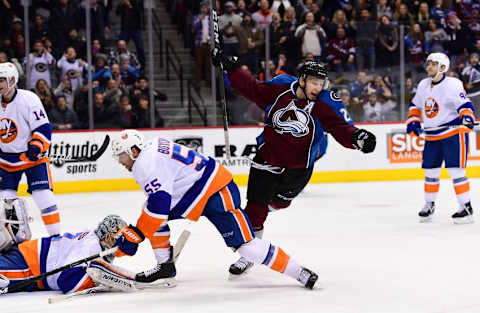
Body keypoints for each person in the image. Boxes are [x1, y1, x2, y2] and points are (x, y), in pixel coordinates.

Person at [210, 52, 376, 275]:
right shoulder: (280, 88)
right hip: (267, 158)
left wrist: (357, 138)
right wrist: (232, 68)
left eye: (321, 83)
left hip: (298, 168)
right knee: (255, 210)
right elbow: (253, 89)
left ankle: (259, 221)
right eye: (314, 82)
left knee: (278, 204)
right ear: (302, 80)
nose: (318, 87)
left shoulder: (326, 101)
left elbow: (340, 127)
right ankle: (249, 254)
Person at [111, 129, 319, 289]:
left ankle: (298, 271)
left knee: (246, 246)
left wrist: (135, 236)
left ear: (134, 151)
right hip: (195, 191)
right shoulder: (152, 146)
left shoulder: (143, 165)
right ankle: (165, 266)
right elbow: (158, 205)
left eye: (121, 156)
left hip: (217, 191)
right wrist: (137, 232)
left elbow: (159, 206)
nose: (120, 162)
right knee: (150, 212)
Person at [406, 52, 476, 224]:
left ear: (442, 67)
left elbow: (465, 105)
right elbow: (415, 105)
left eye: (433, 64)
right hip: (431, 135)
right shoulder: (423, 84)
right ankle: (429, 204)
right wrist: (413, 121)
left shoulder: (453, 84)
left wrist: (467, 118)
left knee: (455, 171)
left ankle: (466, 207)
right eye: (428, 63)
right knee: (430, 172)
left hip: (452, 134)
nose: (428, 66)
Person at [0, 208, 128, 294]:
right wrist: (96, 281)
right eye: (114, 240)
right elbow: (67, 282)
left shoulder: (92, 235)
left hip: (28, 253)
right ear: (107, 237)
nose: (116, 245)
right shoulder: (90, 248)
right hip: (29, 266)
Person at [0, 62, 61, 235]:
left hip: (31, 158)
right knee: (6, 203)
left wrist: (36, 147)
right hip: (5, 161)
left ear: (12, 80)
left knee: (44, 196)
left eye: (1, 80)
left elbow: (43, 128)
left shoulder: (28, 99)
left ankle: (56, 238)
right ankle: (13, 240)